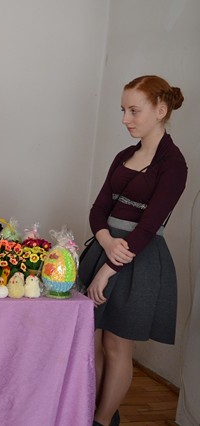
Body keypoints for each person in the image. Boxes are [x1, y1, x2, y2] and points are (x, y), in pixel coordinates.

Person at [79, 76, 187, 426]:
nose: (126, 119)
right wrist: (106, 242)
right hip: (106, 249)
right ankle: (87, 412)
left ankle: (103, 421)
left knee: (116, 346)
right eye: (123, 110)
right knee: (90, 341)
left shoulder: (174, 164)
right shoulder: (124, 156)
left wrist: (108, 268)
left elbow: (148, 228)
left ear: (161, 110)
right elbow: (98, 209)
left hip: (137, 260)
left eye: (134, 111)